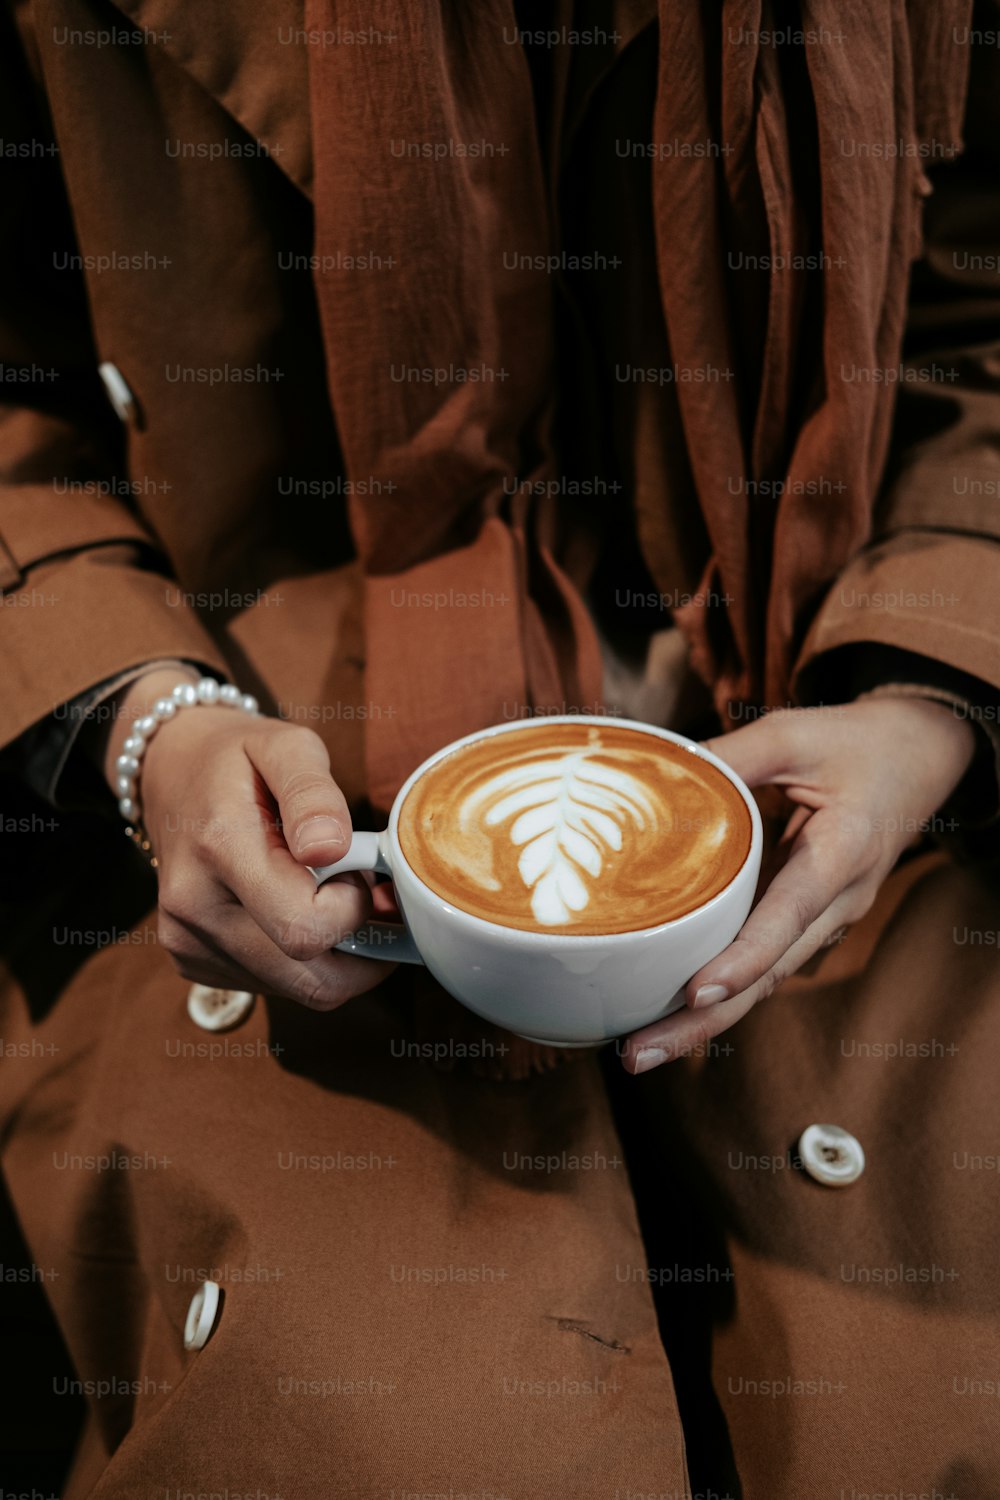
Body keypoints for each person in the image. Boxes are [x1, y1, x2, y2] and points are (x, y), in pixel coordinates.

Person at [1, 1, 999, 1494]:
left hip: (835, 708)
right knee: (375, 1434)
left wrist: (930, 694)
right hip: (243, 737)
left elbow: (977, 325)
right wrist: (143, 721)